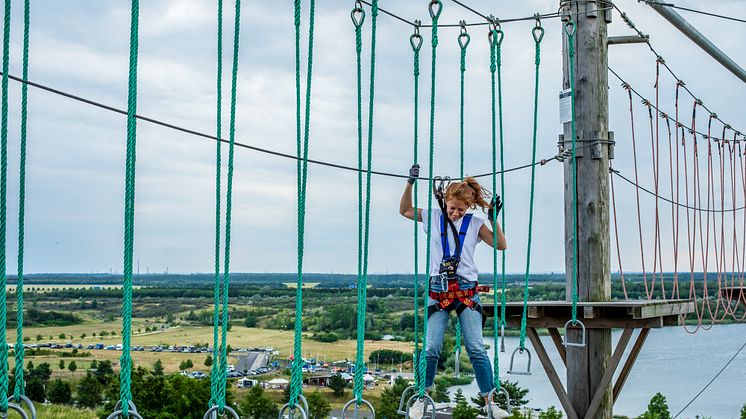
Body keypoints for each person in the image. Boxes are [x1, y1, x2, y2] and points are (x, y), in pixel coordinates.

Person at [399, 164, 509, 418]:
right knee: (431, 348)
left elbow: (501, 245)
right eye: (452, 208)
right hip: (439, 289)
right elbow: (405, 210)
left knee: (476, 348)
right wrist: (409, 184)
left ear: (469, 207)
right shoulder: (433, 216)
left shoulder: (475, 223)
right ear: (445, 202)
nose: (456, 213)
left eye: (461, 209)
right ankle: (422, 397)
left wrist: (494, 221)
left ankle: (490, 400)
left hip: (467, 291)